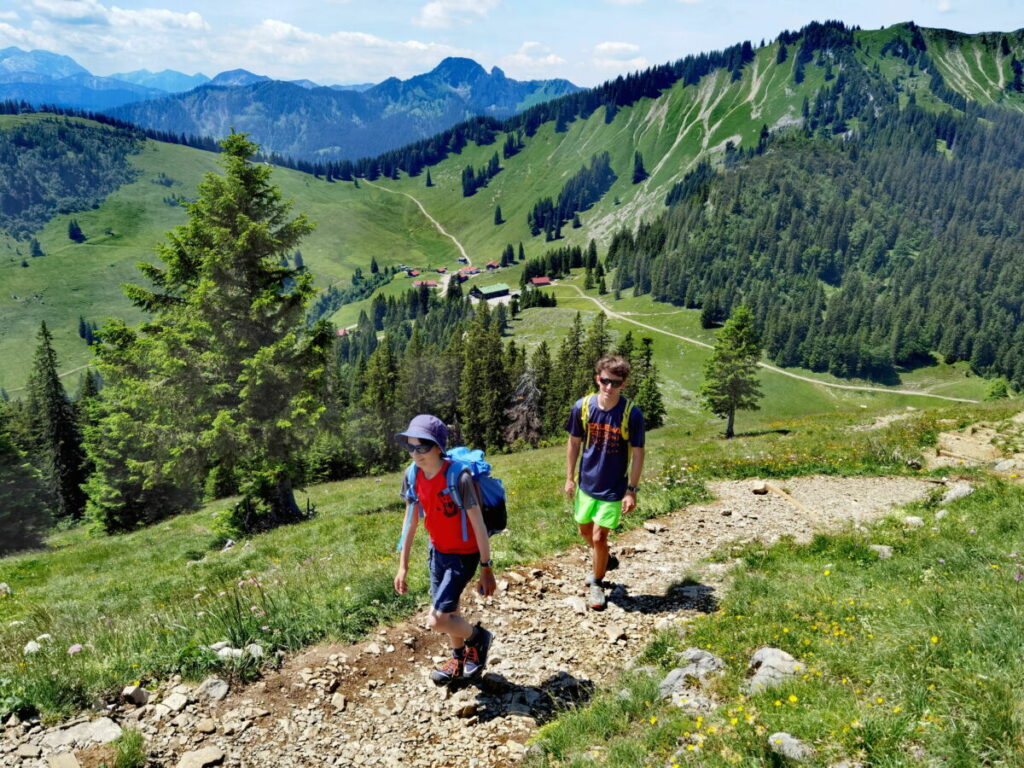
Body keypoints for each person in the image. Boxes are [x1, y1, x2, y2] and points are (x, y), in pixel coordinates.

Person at [393, 414, 497, 686]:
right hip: (437, 552)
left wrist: (486, 568)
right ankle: (459, 659)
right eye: (411, 447)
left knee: (437, 620)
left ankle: (478, 638)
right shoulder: (412, 475)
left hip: (464, 555)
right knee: (451, 611)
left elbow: (479, 524)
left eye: (422, 447)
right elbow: (410, 522)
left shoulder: (458, 477)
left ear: (438, 446)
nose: (416, 454)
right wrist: (402, 565)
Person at [565, 356, 645, 610]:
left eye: (615, 383)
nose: (609, 387)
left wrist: (631, 490)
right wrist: (569, 478)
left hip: (613, 487)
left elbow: (639, 452)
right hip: (586, 483)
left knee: (599, 538)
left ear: (624, 384)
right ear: (597, 378)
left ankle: (597, 582)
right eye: (605, 381)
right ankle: (605, 559)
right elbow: (574, 442)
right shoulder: (583, 407)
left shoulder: (631, 414)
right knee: (585, 532)